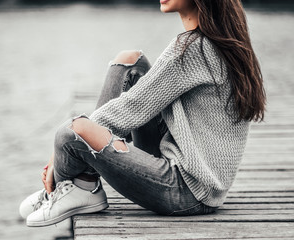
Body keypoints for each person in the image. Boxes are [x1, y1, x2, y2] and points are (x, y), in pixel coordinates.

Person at [19, 0, 266, 227]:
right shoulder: (220, 40)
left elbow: (131, 108)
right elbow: (138, 101)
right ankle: (80, 183)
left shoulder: (192, 48)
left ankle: (78, 186)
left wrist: (59, 154)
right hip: (198, 179)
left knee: (72, 131)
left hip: (186, 192)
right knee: (128, 62)